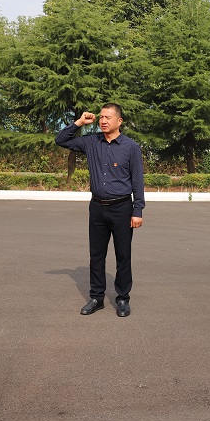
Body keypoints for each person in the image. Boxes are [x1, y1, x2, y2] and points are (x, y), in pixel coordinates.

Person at [55, 103, 145, 317]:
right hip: (97, 208)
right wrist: (79, 122)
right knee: (96, 255)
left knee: (123, 256)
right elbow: (61, 140)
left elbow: (137, 180)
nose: (103, 121)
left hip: (122, 208)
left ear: (119, 121)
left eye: (108, 117)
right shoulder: (91, 142)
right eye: (101, 117)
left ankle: (122, 298)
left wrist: (138, 210)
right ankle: (97, 297)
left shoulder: (131, 147)